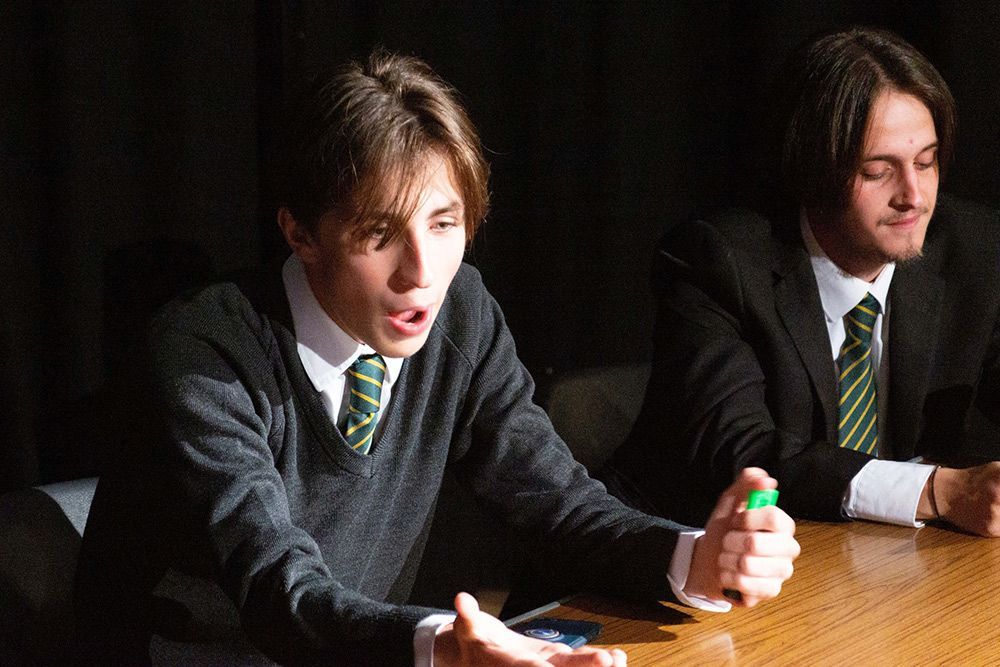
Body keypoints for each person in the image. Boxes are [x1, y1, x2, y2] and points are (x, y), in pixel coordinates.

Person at [73, 49, 799, 666]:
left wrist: (693, 559)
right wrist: (441, 643)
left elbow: (557, 502)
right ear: (300, 234)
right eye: (379, 233)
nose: (422, 271)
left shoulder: (461, 311)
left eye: (444, 223)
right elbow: (276, 585)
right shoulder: (206, 349)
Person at [600, 27, 1000, 536]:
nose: (914, 196)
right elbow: (742, 453)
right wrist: (938, 491)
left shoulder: (975, 248)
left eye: (926, 162)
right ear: (816, 169)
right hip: (682, 549)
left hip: (870, 554)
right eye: (878, 171)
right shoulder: (718, 260)